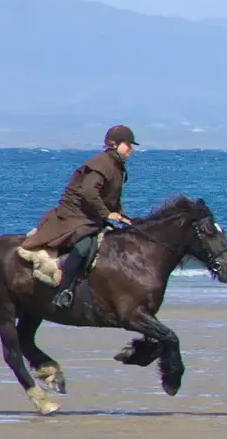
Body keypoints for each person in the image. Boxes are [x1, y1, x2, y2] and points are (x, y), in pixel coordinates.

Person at [16, 125, 138, 308]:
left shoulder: (117, 166)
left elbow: (112, 197)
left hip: (92, 215)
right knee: (84, 246)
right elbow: (89, 192)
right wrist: (107, 214)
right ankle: (63, 291)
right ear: (115, 144)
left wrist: (122, 216)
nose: (131, 148)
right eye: (128, 144)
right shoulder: (100, 164)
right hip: (75, 215)